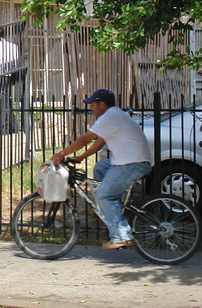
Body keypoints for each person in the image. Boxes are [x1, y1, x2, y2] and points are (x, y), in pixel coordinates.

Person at [51, 88, 153, 250]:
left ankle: (121, 235)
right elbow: (99, 143)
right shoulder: (115, 115)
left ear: (102, 105)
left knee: (104, 195)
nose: (91, 108)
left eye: (93, 104)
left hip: (131, 163)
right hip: (129, 161)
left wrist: (61, 154)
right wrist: (80, 158)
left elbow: (85, 139)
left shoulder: (110, 116)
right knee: (100, 167)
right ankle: (111, 209)